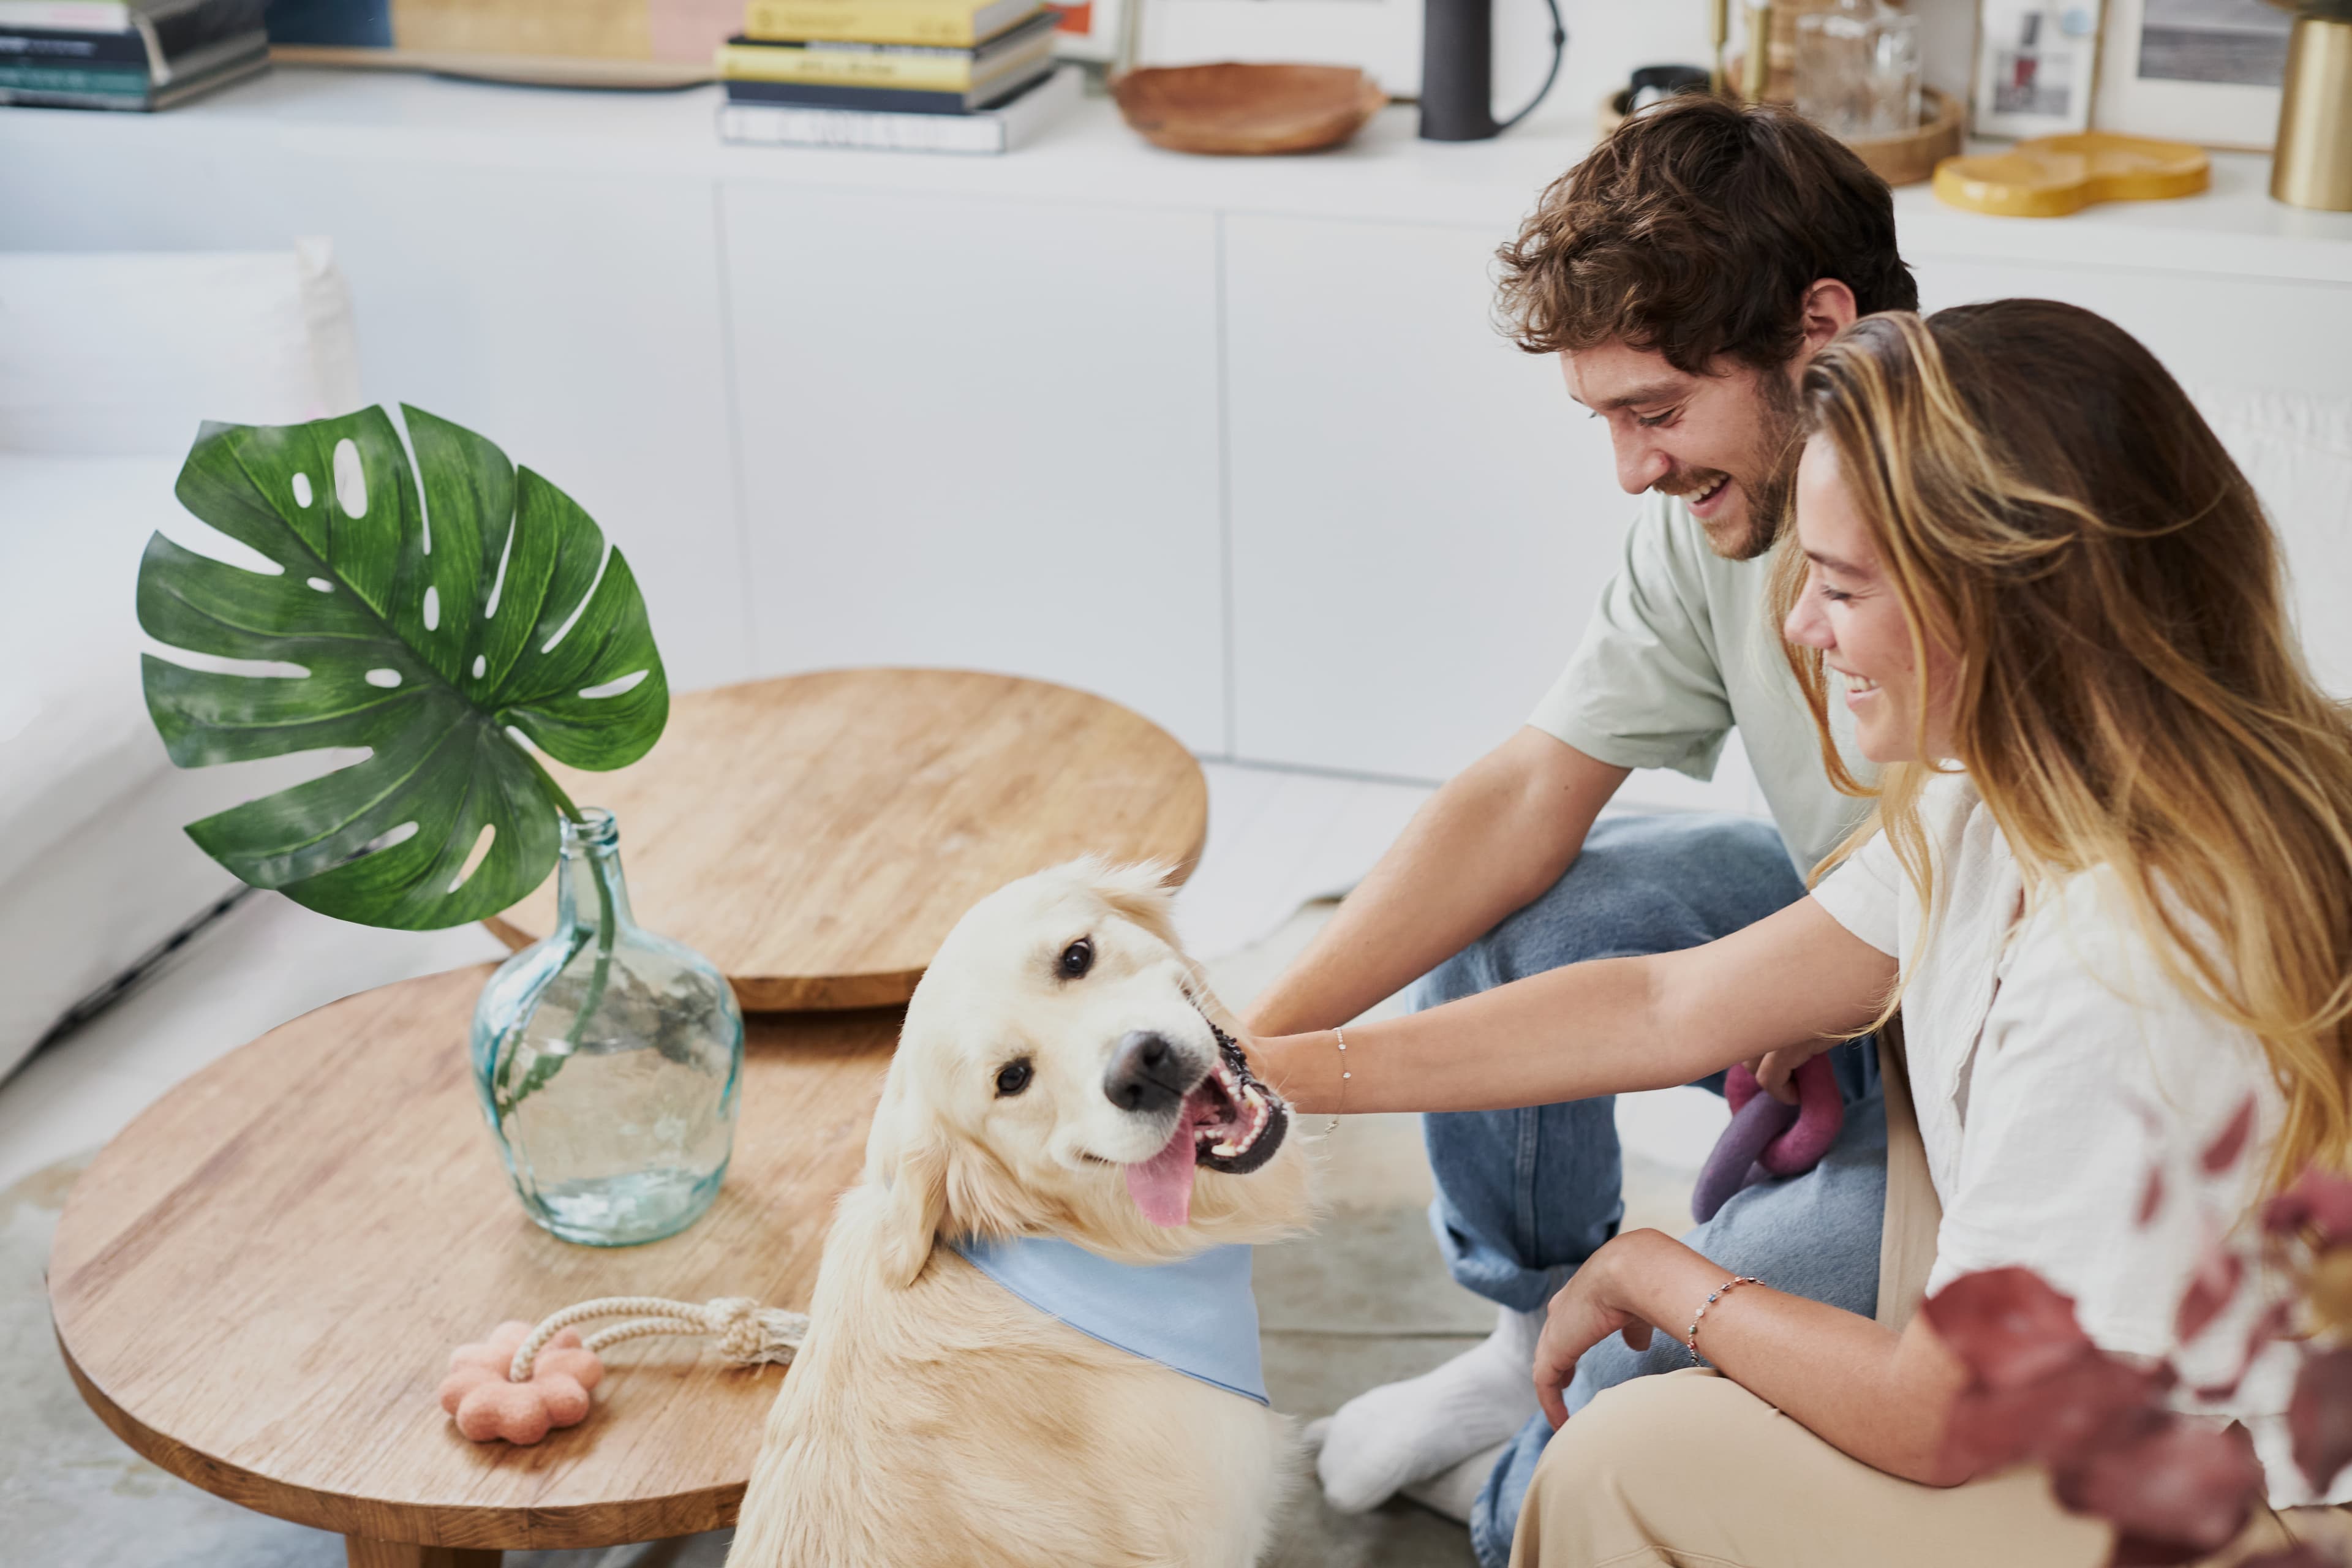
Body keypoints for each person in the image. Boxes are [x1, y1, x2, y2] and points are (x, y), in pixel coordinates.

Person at [1259, 298, 2352, 1564]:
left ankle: (1515, 1501)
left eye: (1836, 586)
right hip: (2137, 1376)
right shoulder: (2014, 782)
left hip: (2252, 1505)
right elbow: (1667, 1003)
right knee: (1656, 1396)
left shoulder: (2132, 947)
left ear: (2004, 598)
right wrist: (1275, 1065)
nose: (1798, 628)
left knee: (1626, 1450)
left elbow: (1936, 1414)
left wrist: (1655, 1273)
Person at [1242, 93, 1917, 1558]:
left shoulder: (1998, 524)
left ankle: (1525, 1469)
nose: (1631, 470)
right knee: (1514, 915)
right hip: (1844, 948)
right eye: (1606, 417)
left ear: (1819, 325)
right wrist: (1238, 1050)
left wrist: (1670, 1282)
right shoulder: (1728, 524)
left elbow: (1685, 1000)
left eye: (1656, 412)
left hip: (1982, 1080)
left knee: (1649, 1364)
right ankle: (1523, 1335)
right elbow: (1524, 798)